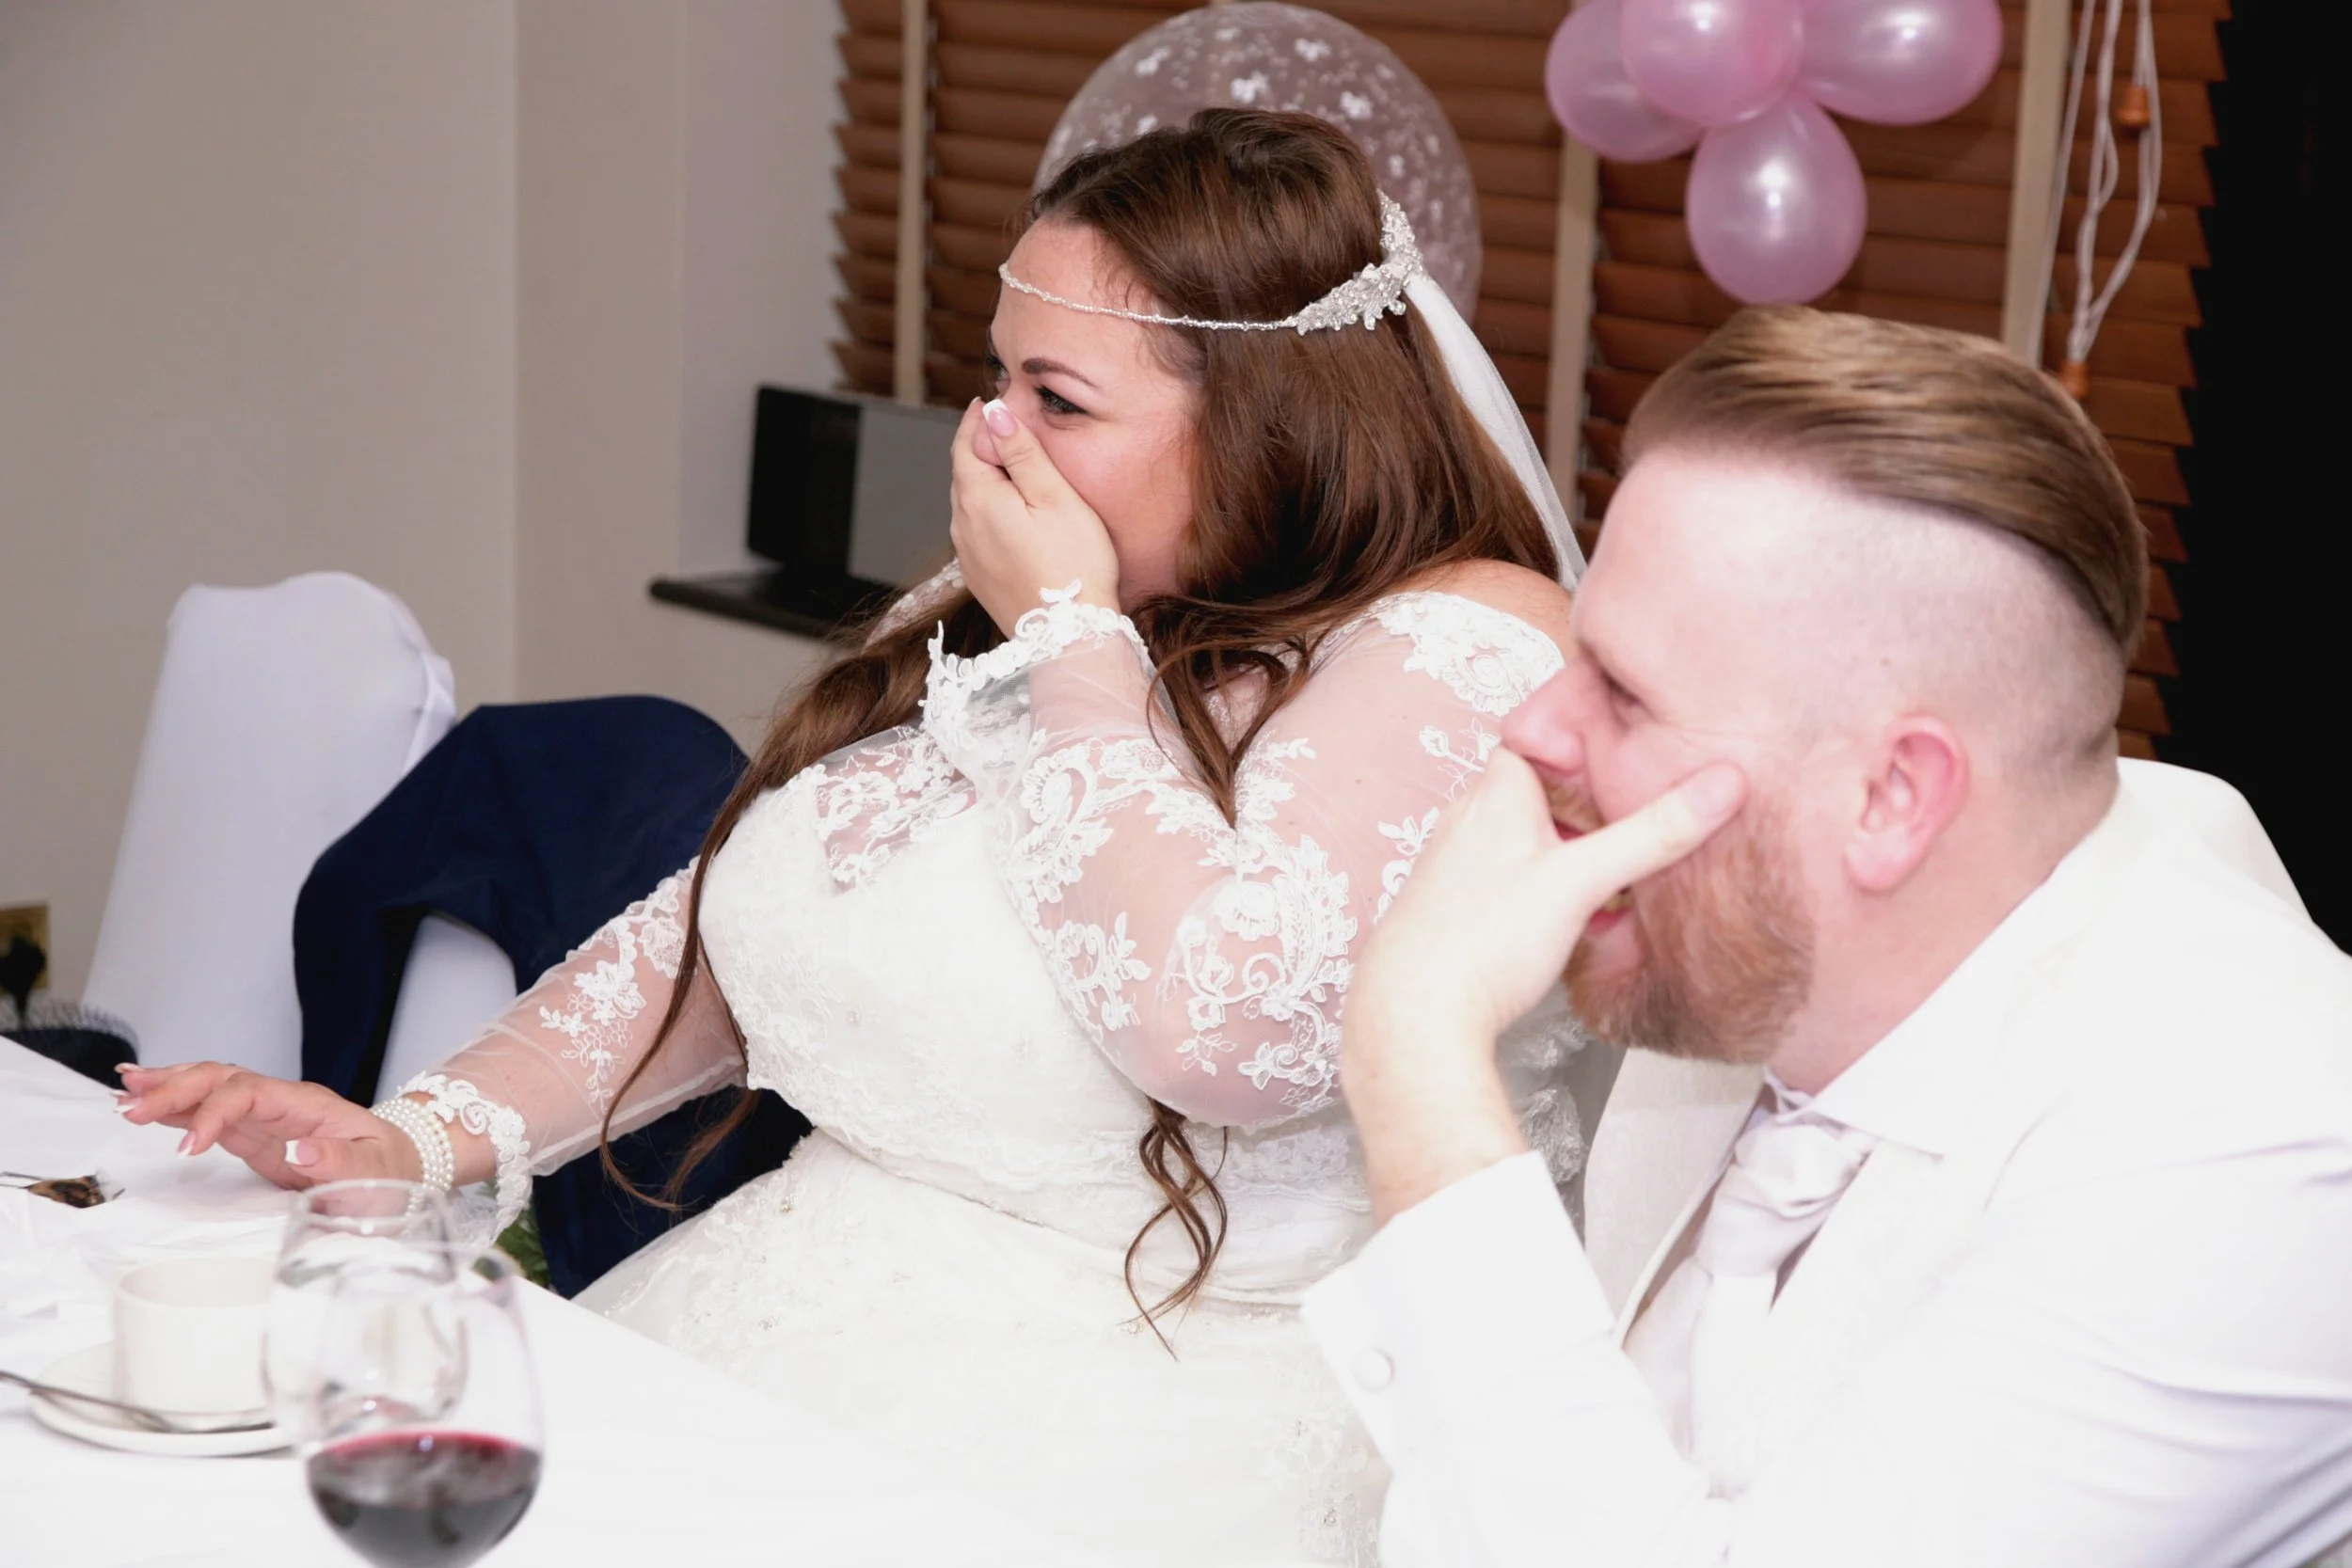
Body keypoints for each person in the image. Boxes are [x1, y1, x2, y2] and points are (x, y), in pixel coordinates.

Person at [117, 111, 1597, 1566]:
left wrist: (1072, 646)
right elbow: (733, 930)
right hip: (757, 1335)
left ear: (1276, 413)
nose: (992, 439)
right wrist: (412, 1139)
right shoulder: (1017, 596)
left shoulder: (1458, 646)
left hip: (1142, 1445)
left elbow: (1224, 1028)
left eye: (1058, 397)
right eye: (992, 378)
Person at [1306, 306, 2352, 1567]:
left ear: (1895, 797)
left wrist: (1417, 1064)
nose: (1530, 726)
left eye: (1623, 689)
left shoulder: (2257, 1160)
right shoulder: (1745, 927)